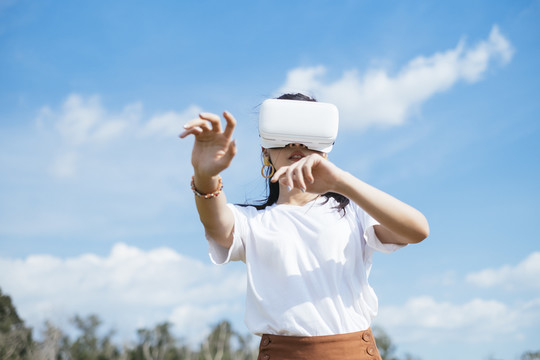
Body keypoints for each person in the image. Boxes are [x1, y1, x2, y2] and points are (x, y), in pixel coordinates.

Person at [180, 93, 429, 360]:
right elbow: (216, 224)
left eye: (308, 137)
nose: (296, 143)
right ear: (265, 151)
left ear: (326, 149)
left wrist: (341, 183)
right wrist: (205, 175)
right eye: (283, 135)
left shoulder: (354, 211)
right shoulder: (250, 221)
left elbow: (417, 230)